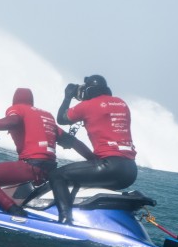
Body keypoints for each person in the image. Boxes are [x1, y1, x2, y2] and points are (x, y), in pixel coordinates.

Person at [0, 88, 93, 218]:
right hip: (49, 169)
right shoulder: (46, 116)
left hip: (31, 167)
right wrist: (94, 160)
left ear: (14, 100)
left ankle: (15, 212)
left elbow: (13, 121)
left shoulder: (17, 109)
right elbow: (72, 141)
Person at [50, 75, 137, 225]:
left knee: (56, 175)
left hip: (110, 166)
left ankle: (65, 219)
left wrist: (68, 96)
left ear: (89, 90)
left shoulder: (88, 105)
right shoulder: (122, 103)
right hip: (130, 170)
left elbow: (61, 119)